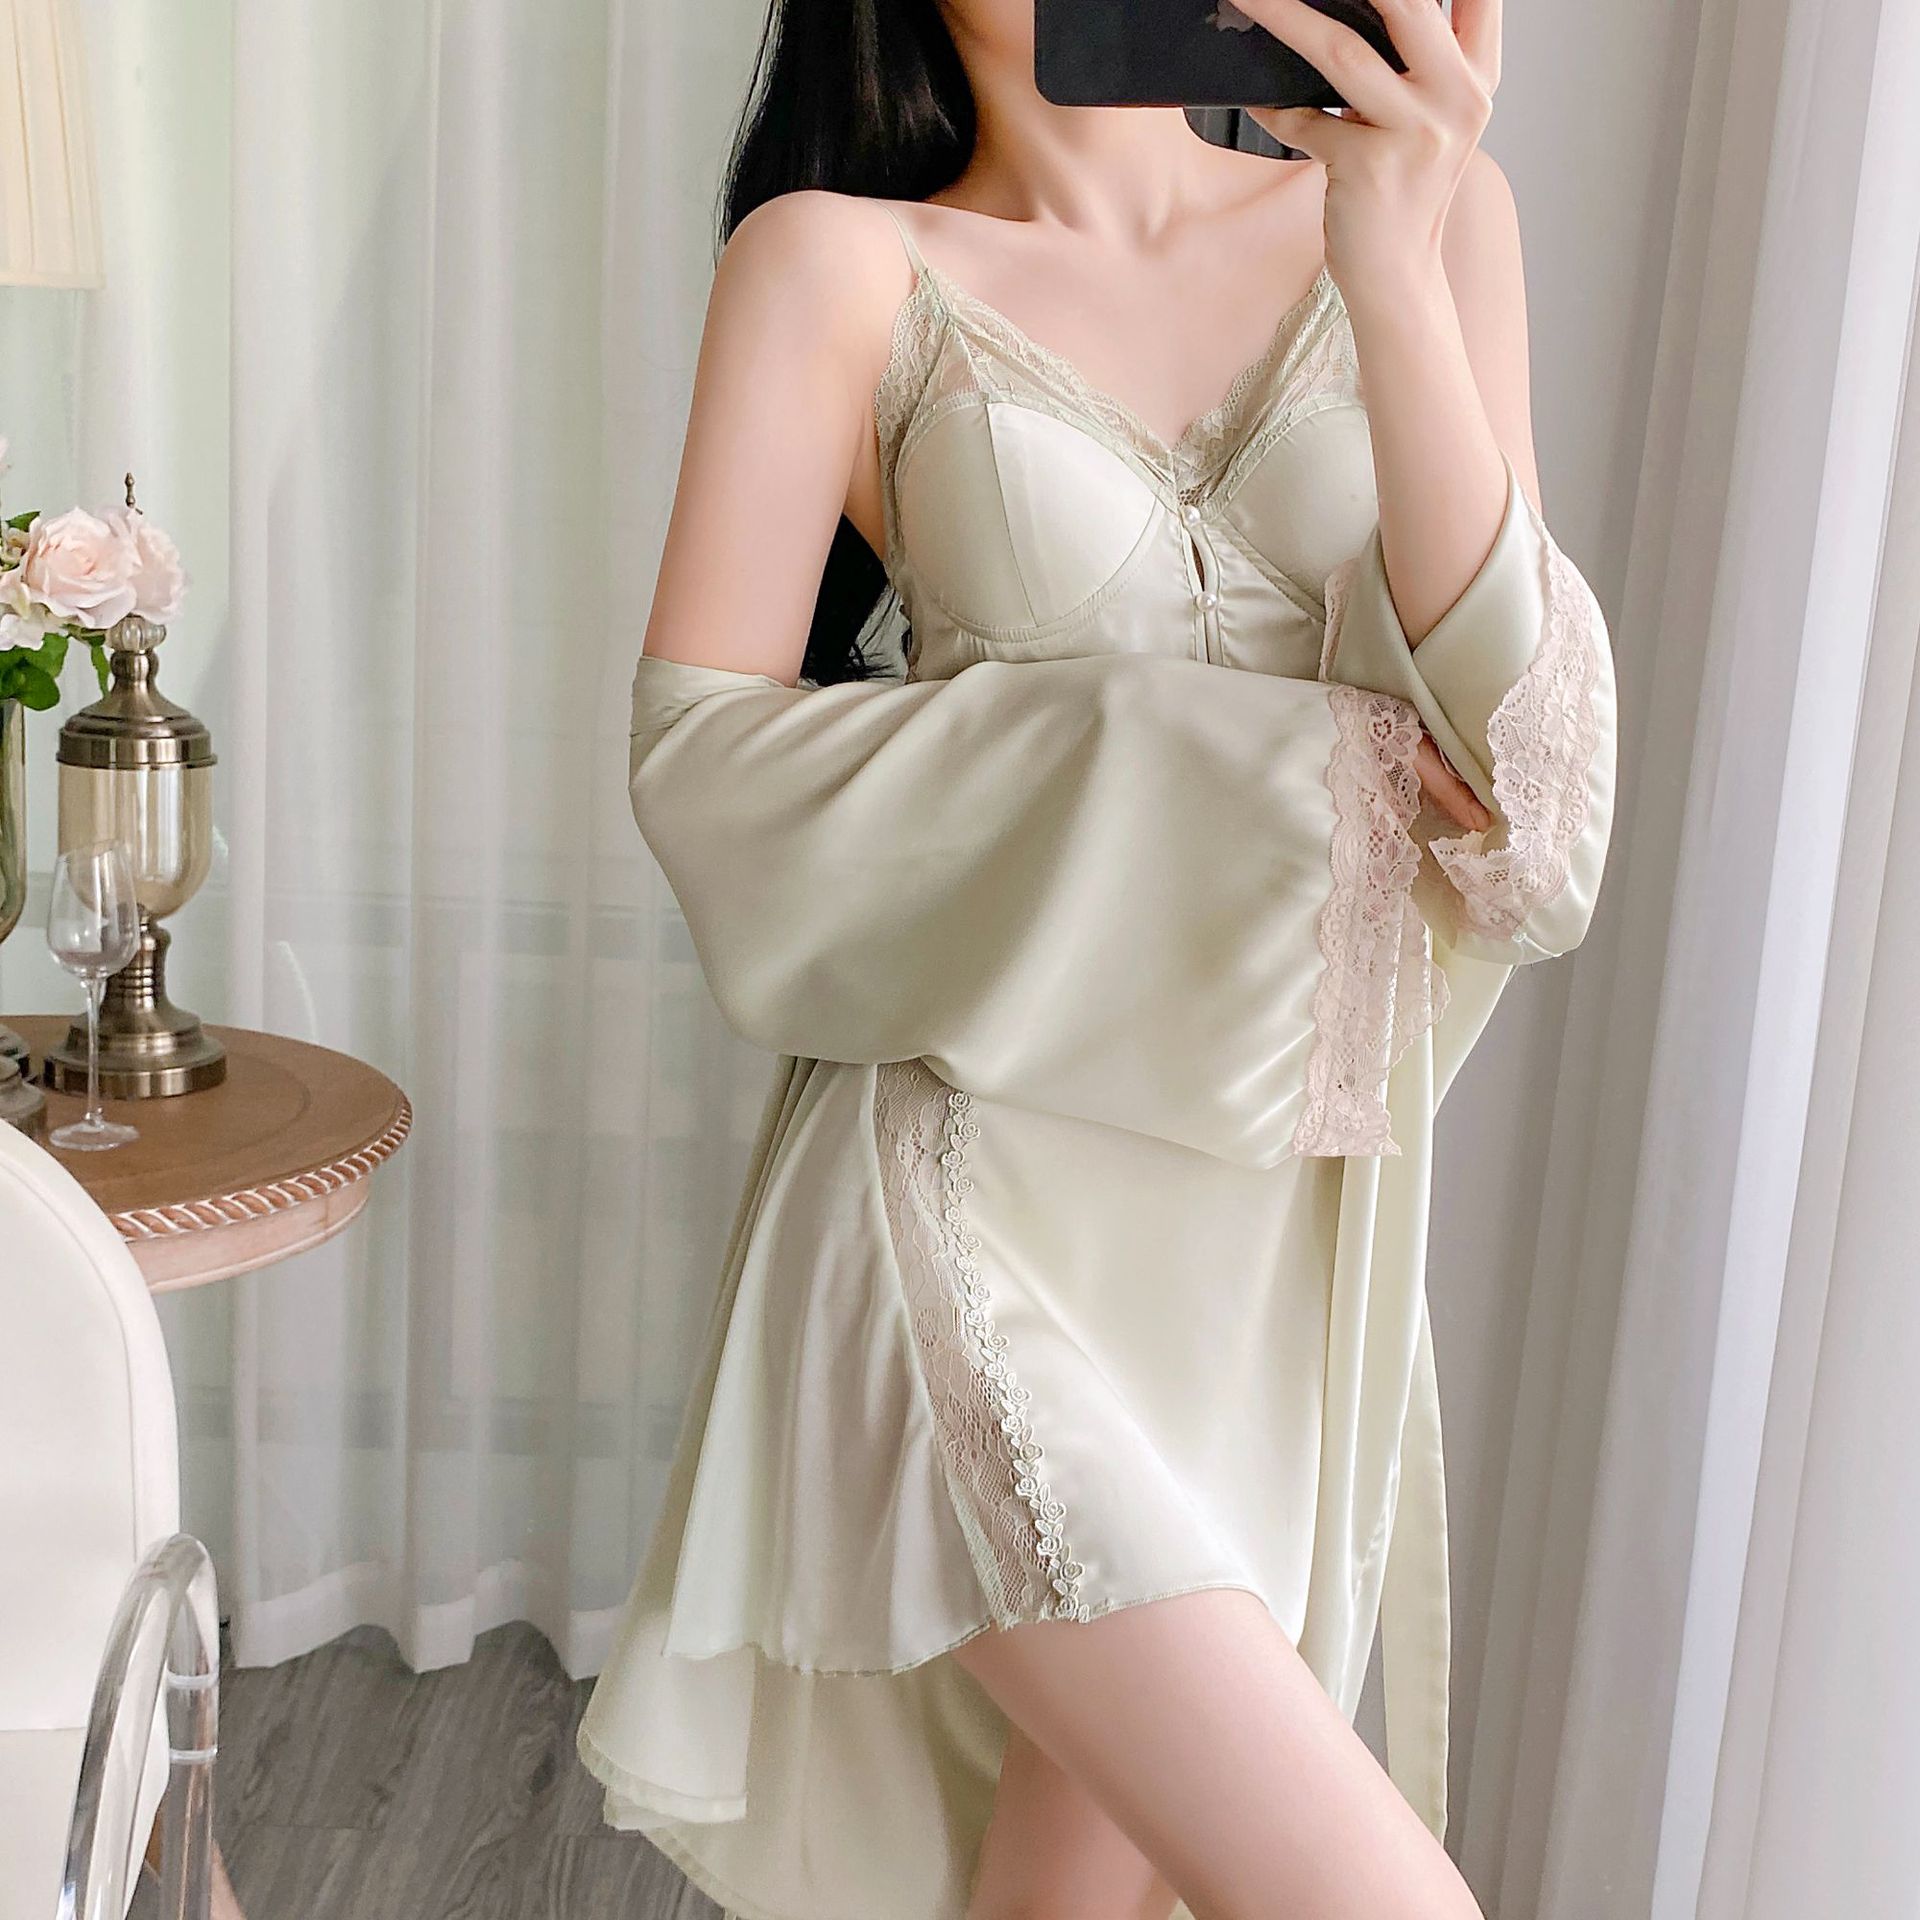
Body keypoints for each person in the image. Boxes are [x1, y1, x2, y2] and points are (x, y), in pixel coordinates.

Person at [577, 1, 1619, 1916]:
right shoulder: (834, 265)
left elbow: (1529, 809)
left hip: (1268, 1271)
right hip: (963, 1225)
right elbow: (704, 776)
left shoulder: (1440, 221)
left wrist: (1392, 258)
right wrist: (1248, 768)